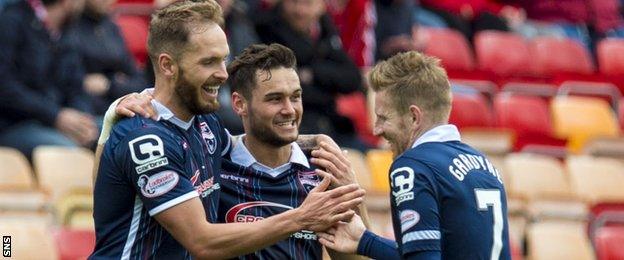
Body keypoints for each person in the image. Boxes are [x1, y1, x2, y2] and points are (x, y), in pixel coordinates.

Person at [91, 1, 364, 259]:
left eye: (224, 59)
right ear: (167, 65)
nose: (223, 74)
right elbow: (202, 241)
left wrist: (316, 142)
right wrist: (301, 218)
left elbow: (250, 141)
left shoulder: (204, 124)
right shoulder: (146, 139)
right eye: (209, 62)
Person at [317, 51, 511, 259]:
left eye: (383, 118)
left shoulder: (412, 167)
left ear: (413, 117)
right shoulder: (484, 165)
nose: (376, 130)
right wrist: (365, 241)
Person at [217, 43, 369, 259]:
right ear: (239, 103)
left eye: (295, 97)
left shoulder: (321, 169)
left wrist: (352, 194)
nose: (290, 110)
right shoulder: (216, 164)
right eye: (275, 99)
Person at [254, 0, 369, 152]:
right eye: (294, 3)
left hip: (333, 126)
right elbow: (291, 91)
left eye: (307, 3)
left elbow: (353, 78)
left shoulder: (326, 29)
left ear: (321, 5)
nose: (299, 10)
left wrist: (313, 73)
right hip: (294, 128)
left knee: (370, 157)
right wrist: (330, 90)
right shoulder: (265, 28)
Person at [0, 0, 98, 159]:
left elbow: (76, 86)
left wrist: (83, 119)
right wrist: (55, 115)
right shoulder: (11, 20)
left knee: (117, 136)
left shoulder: (67, 30)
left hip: (59, 120)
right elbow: (5, 88)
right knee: (71, 153)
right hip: (15, 124)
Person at [68, 0, 147, 115]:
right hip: (87, 111)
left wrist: (109, 85)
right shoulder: (70, 28)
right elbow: (75, 85)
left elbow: (140, 82)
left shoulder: (111, 28)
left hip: (120, 104)